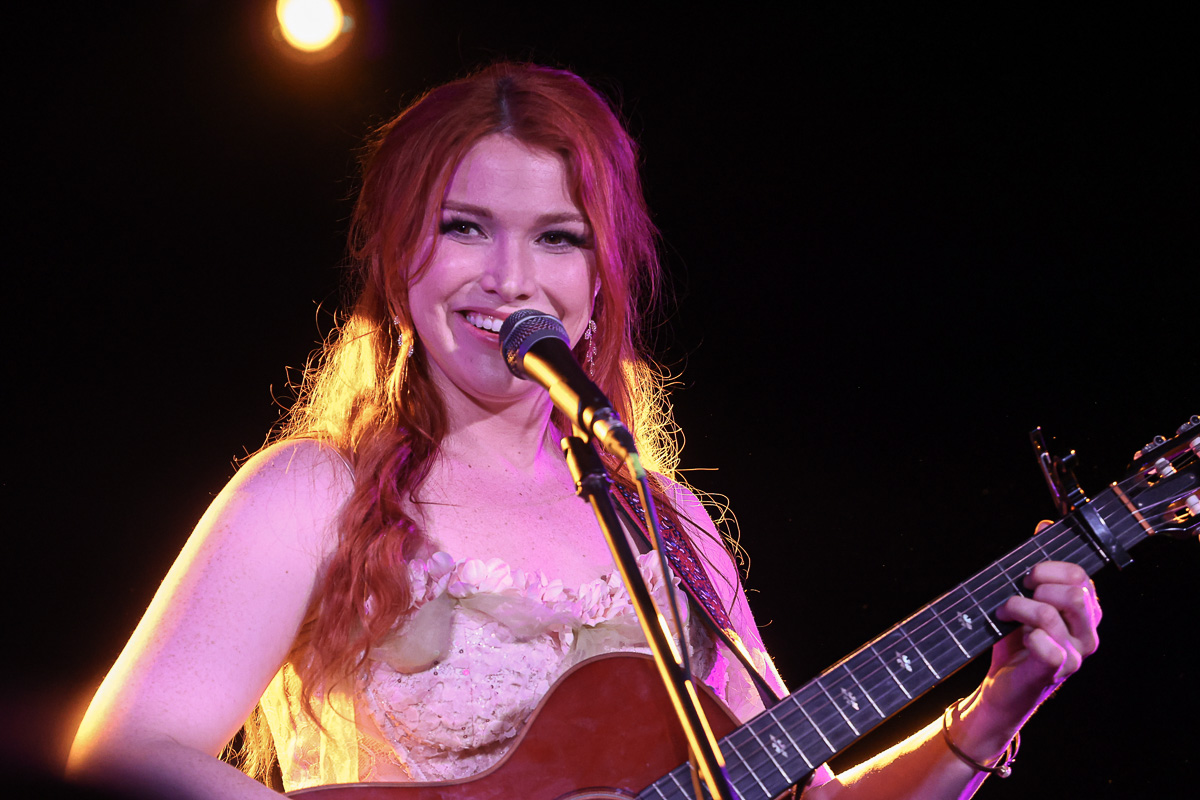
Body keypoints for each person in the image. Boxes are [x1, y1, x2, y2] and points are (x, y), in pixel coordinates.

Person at [67, 63, 1101, 799]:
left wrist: (991, 711)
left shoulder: (665, 523)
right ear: (396, 258)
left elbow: (805, 795)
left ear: (602, 278)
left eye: (557, 238)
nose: (510, 278)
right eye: (464, 227)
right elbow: (125, 750)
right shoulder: (313, 493)